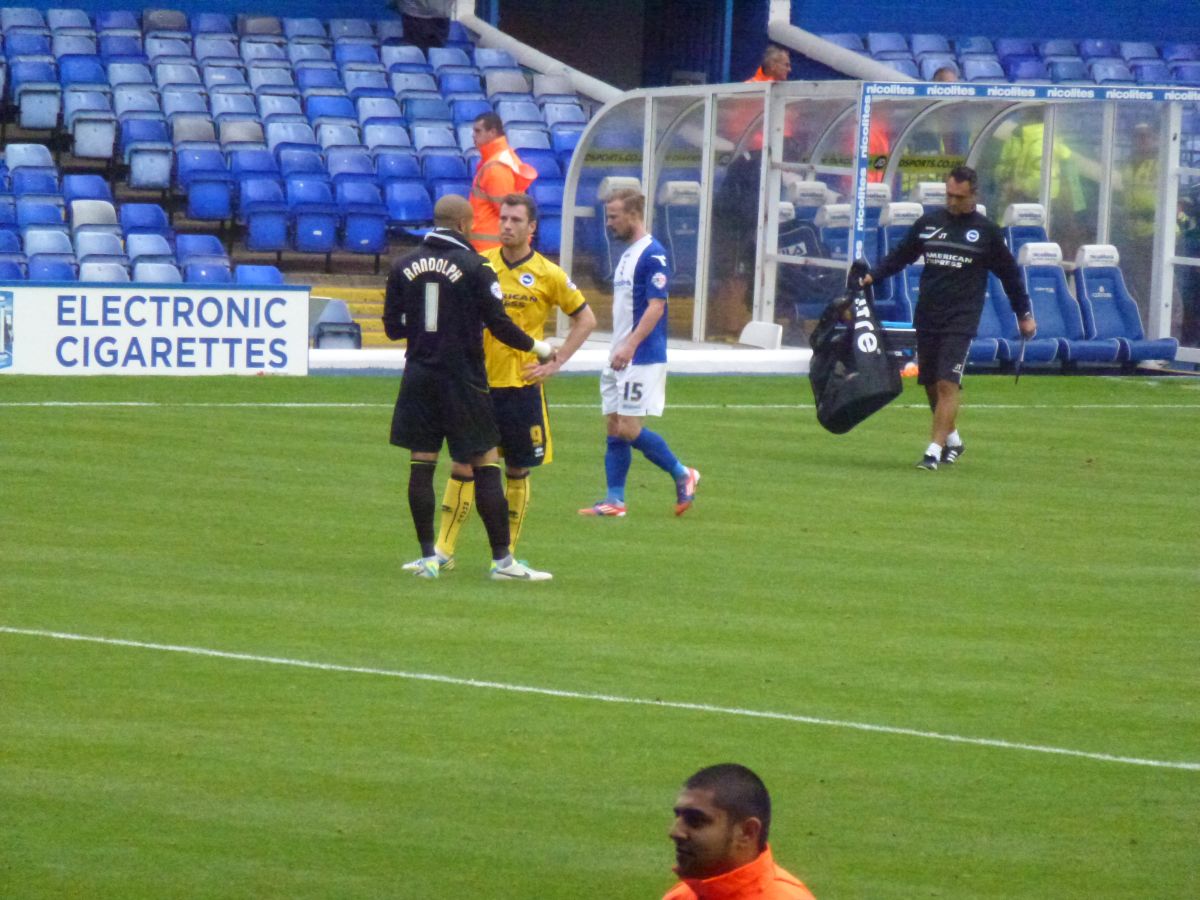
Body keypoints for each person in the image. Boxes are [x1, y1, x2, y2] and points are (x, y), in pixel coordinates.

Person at [405, 193, 596, 570]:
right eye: (503, 218)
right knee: (463, 466)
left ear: (532, 227)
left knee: (517, 470)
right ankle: (442, 552)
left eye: (515, 220)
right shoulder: (480, 265)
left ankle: (505, 556)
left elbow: (585, 318)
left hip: (522, 387)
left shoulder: (548, 274)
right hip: (476, 386)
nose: (506, 226)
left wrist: (555, 363)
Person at [384, 194, 555, 581]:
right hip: (463, 379)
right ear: (464, 224)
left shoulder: (403, 265)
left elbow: (394, 328)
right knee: (484, 463)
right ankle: (502, 562)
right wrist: (540, 348)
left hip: (418, 376)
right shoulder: (476, 266)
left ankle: (430, 556)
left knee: (422, 463)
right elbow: (498, 324)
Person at [860, 165, 1037, 470]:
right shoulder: (929, 223)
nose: (952, 202)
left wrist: (1023, 314)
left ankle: (932, 451)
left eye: (958, 196)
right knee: (929, 383)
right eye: (948, 195)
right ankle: (954, 441)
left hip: (962, 318)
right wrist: (872, 277)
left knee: (946, 383)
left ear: (973, 195)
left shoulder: (986, 232)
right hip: (929, 313)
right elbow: (900, 256)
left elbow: (1010, 276)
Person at [579, 188, 700, 517]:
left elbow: (656, 307)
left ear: (634, 215)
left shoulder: (653, 254)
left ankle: (683, 473)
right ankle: (614, 500)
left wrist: (630, 345)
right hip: (619, 355)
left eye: (614, 216)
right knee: (614, 425)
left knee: (629, 428)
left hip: (642, 355)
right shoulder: (628, 254)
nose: (609, 223)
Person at [665, 763, 816, 900]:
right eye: (678, 816)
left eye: (696, 820)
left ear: (747, 832)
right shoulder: (681, 896)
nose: (675, 832)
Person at [469, 112, 538, 252]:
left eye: (478, 131)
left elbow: (507, 210)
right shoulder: (500, 159)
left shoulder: (496, 166)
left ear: (492, 132)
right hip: (493, 246)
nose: (473, 135)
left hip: (491, 248)